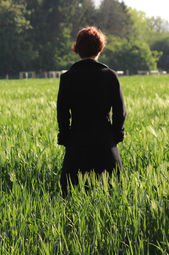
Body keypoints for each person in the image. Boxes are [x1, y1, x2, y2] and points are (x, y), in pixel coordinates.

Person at [57, 26, 126, 194]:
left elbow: (62, 113)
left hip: (77, 147)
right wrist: (115, 136)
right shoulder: (110, 76)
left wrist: (66, 138)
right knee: (113, 196)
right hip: (105, 146)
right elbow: (120, 112)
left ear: (77, 49)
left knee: (70, 198)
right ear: (100, 48)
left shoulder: (67, 78)